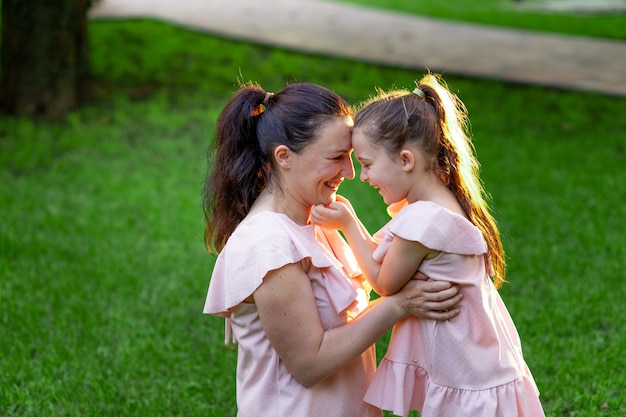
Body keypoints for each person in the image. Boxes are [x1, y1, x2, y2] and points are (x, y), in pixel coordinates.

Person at [201, 81, 463, 417]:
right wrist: (401, 305)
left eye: (351, 157)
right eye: (337, 158)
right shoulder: (267, 245)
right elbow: (310, 363)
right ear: (284, 157)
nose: (350, 172)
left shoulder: (318, 220)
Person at [311, 73, 545, 417]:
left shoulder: (424, 222)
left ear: (406, 161)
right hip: (476, 360)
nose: (362, 177)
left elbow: (384, 283)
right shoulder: (442, 205)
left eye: (367, 165)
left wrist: (348, 224)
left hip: (468, 371)